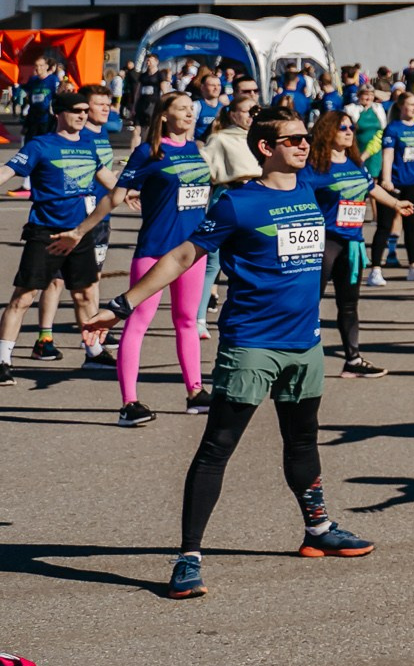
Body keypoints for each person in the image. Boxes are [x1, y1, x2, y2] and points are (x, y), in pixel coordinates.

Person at [83, 106, 374, 600]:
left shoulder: (309, 189)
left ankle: (318, 531)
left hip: (305, 345)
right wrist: (121, 304)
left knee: (303, 443)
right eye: (294, 139)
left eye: (306, 138)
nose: (305, 145)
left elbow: (359, 182)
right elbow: (183, 255)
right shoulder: (238, 204)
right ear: (266, 148)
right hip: (251, 346)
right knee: (217, 448)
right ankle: (188, 557)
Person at [77, 96, 217, 421]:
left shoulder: (197, 149)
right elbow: (117, 194)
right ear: (165, 116)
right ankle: (129, 403)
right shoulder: (149, 151)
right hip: (156, 250)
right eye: (182, 108)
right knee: (137, 323)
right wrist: (81, 230)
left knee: (186, 322)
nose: (189, 113)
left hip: (192, 251)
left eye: (191, 109)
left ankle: (195, 392)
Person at [0, 91, 116, 382]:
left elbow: (110, 181)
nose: (82, 115)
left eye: (85, 111)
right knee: (24, 297)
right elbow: (9, 170)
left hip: (80, 233)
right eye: (76, 110)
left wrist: (139, 191)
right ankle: (3, 360)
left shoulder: (89, 145)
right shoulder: (42, 145)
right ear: (58, 113)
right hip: (46, 232)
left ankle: (93, 353)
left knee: (85, 294)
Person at [304, 108, 412, 377]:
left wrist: (397, 203)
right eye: (343, 128)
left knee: (349, 305)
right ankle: (299, 358)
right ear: (328, 131)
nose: (350, 132)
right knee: (309, 303)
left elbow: (370, 187)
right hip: (325, 243)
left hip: (352, 244)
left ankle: (352, 360)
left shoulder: (354, 163)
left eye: (351, 127)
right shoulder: (314, 166)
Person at [376, 89, 414, 278]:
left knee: (411, 225)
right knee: (385, 225)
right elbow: (388, 155)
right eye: (410, 104)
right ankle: (376, 269)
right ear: (401, 106)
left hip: (413, 182)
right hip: (393, 183)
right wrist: (385, 179)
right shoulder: (393, 128)